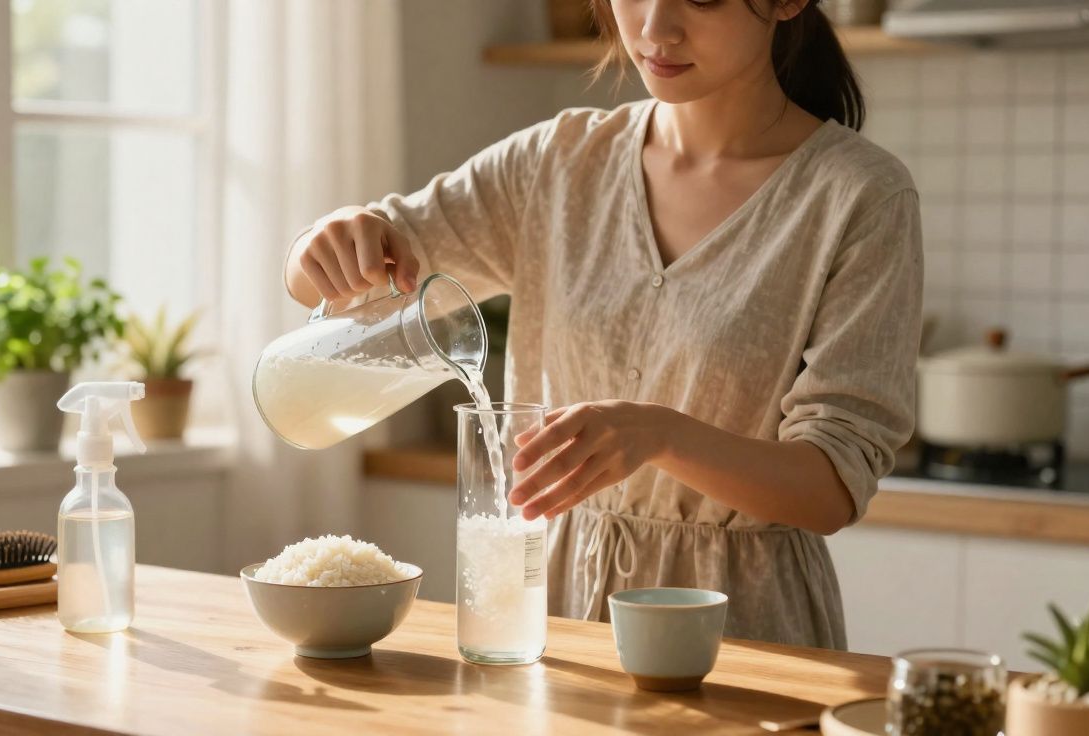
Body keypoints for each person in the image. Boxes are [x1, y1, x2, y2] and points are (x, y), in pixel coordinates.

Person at [281, 0, 922, 649]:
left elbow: (833, 487)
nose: (655, 27)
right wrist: (320, 243)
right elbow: (348, 278)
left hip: (740, 632)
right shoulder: (556, 164)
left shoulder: (859, 198)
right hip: (550, 618)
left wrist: (660, 435)